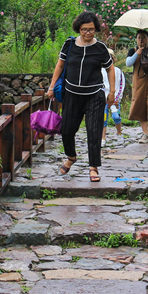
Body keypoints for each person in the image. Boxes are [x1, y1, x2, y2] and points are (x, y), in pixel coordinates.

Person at [46, 11, 116, 183]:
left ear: (96, 29)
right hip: (72, 95)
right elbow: (60, 65)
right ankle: (71, 157)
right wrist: (51, 86)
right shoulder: (69, 44)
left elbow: (110, 68)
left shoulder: (100, 48)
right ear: (79, 29)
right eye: (84, 29)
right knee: (66, 130)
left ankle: (93, 167)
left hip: (94, 96)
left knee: (94, 132)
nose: (88, 33)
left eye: (91, 29)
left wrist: (112, 92)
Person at [101, 65, 127, 141]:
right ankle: (103, 138)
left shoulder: (118, 71)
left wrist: (118, 98)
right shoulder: (100, 71)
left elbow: (121, 85)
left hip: (115, 99)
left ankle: (119, 133)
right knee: (104, 118)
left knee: (116, 117)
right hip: (104, 99)